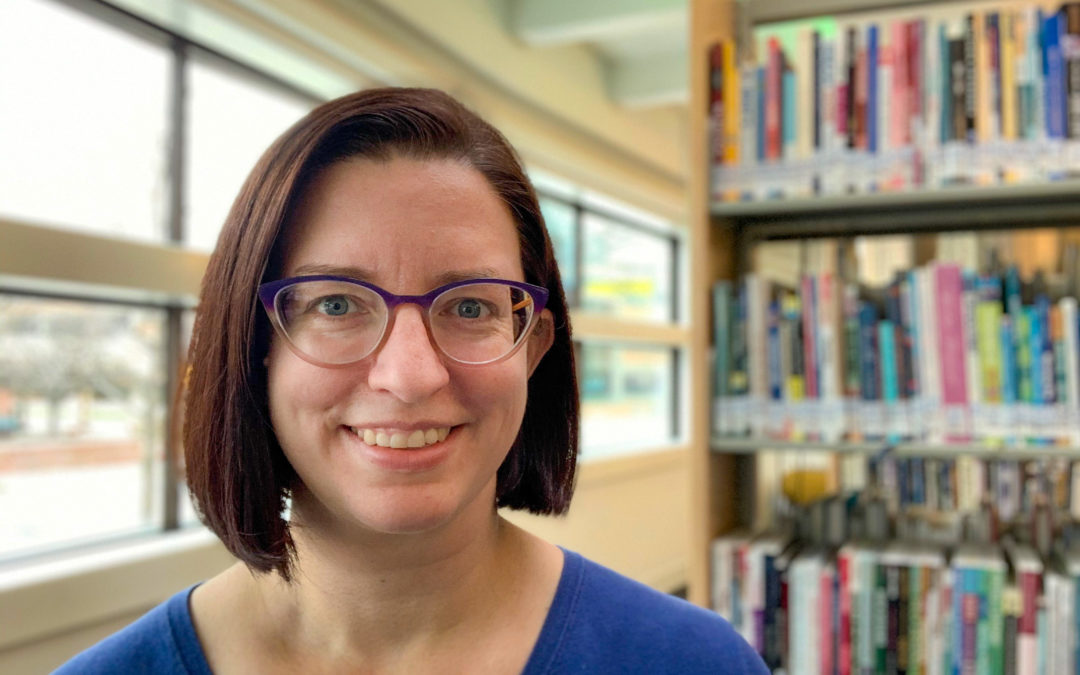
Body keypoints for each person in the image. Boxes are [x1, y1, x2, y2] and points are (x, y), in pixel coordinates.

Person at [56, 88, 767, 674]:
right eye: (335, 303)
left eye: (469, 306)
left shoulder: (694, 662)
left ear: (535, 347)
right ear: (253, 344)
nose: (409, 375)